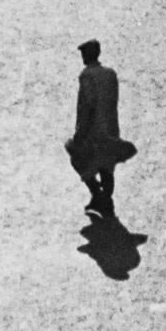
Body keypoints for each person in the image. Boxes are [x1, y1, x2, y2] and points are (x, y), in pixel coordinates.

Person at [66, 39, 135, 217]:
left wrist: (81, 133)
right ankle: (106, 199)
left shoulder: (87, 76)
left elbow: (88, 105)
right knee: (107, 165)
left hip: (93, 133)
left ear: (87, 55)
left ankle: (97, 193)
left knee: (77, 158)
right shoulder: (110, 74)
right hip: (111, 129)